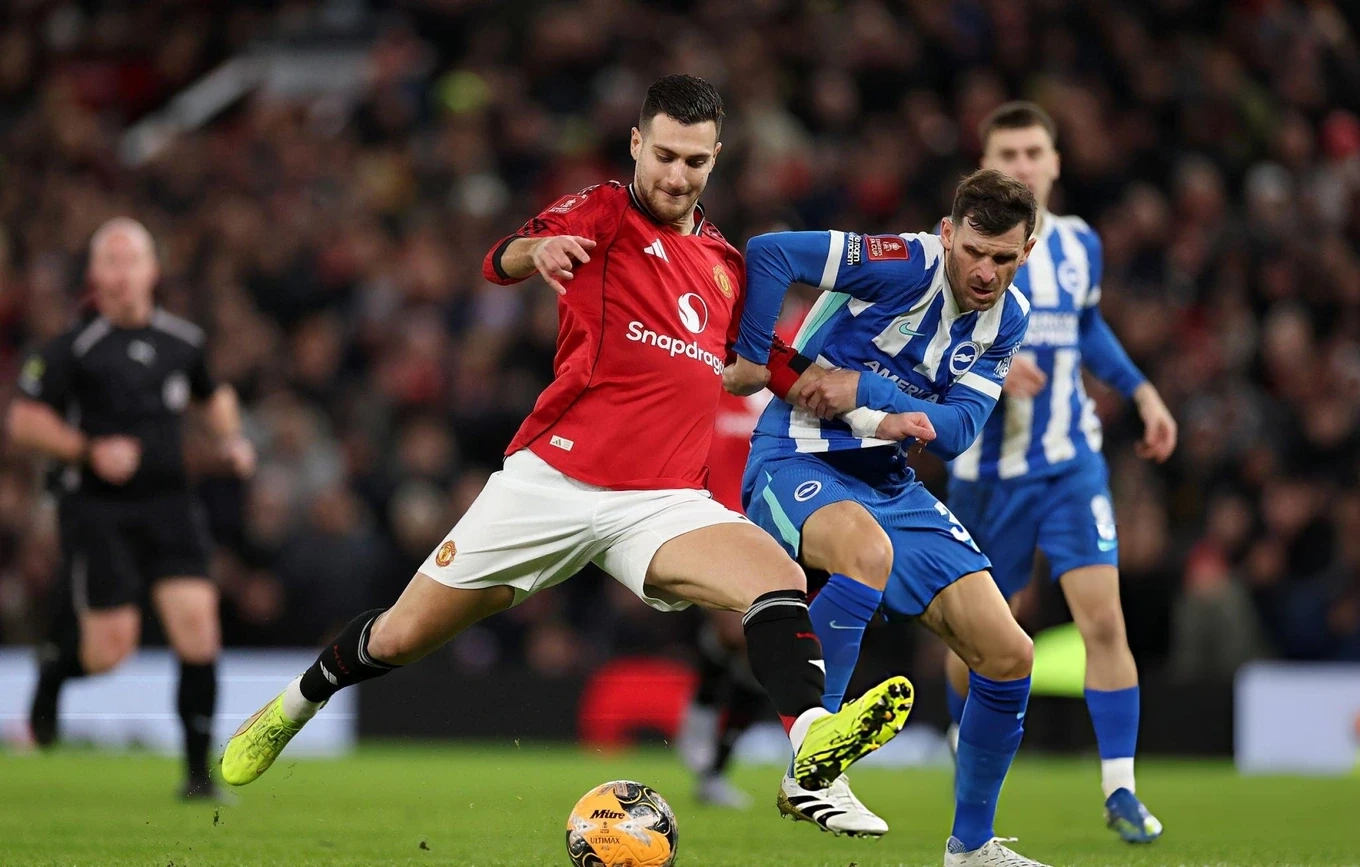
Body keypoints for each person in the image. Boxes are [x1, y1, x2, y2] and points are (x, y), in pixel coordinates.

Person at [220, 75, 913, 807]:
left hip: (660, 501)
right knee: (399, 637)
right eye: (665, 156)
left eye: (694, 161)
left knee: (778, 577)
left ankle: (812, 749)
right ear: (637, 144)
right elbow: (500, 258)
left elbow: (771, 362)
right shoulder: (604, 210)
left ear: (716, 158)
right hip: (551, 483)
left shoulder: (727, 268)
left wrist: (876, 418)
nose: (677, 176)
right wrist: (539, 253)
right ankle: (297, 701)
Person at [727, 169, 1059, 865]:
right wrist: (755, 357)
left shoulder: (1009, 317)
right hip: (799, 453)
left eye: (1003, 258)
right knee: (866, 552)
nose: (986, 272)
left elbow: (959, 429)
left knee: (1009, 653)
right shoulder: (903, 263)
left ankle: (972, 847)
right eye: (974, 251)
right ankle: (813, 764)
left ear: (1026, 252)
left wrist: (867, 388)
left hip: (889, 481)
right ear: (948, 234)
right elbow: (769, 253)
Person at [942, 102, 1177, 844]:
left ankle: (1120, 788)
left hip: (1071, 462)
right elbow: (921, 344)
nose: (1022, 164)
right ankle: (963, 746)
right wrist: (989, 368)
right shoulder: (959, 250)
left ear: (1055, 161)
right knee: (977, 636)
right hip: (987, 473)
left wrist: (1141, 390)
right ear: (984, 165)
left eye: (1033, 151)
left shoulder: (1079, 244)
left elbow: (1088, 326)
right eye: (1007, 153)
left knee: (1103, 617)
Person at [8, 217, 256, 800]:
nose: (121, 273)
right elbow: (23, 420)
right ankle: (54, 672)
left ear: (153, 270)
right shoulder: (73, 348)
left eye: (132, 260)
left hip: (171, 505)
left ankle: (198, 778)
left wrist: (230, 439)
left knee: (199, 630)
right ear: (94, 275)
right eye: (110, 262)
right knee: (110, 650)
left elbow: (213, 394)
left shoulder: (182, 341)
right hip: (99, 510)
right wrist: (87, 450)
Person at [677, 300, 809, 813]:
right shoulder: (713, 336)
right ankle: (705, 719)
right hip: (709, 506)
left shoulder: (804, 339)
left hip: (778, 511)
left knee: (756, 641)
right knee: (740, 632)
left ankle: (714, 765)